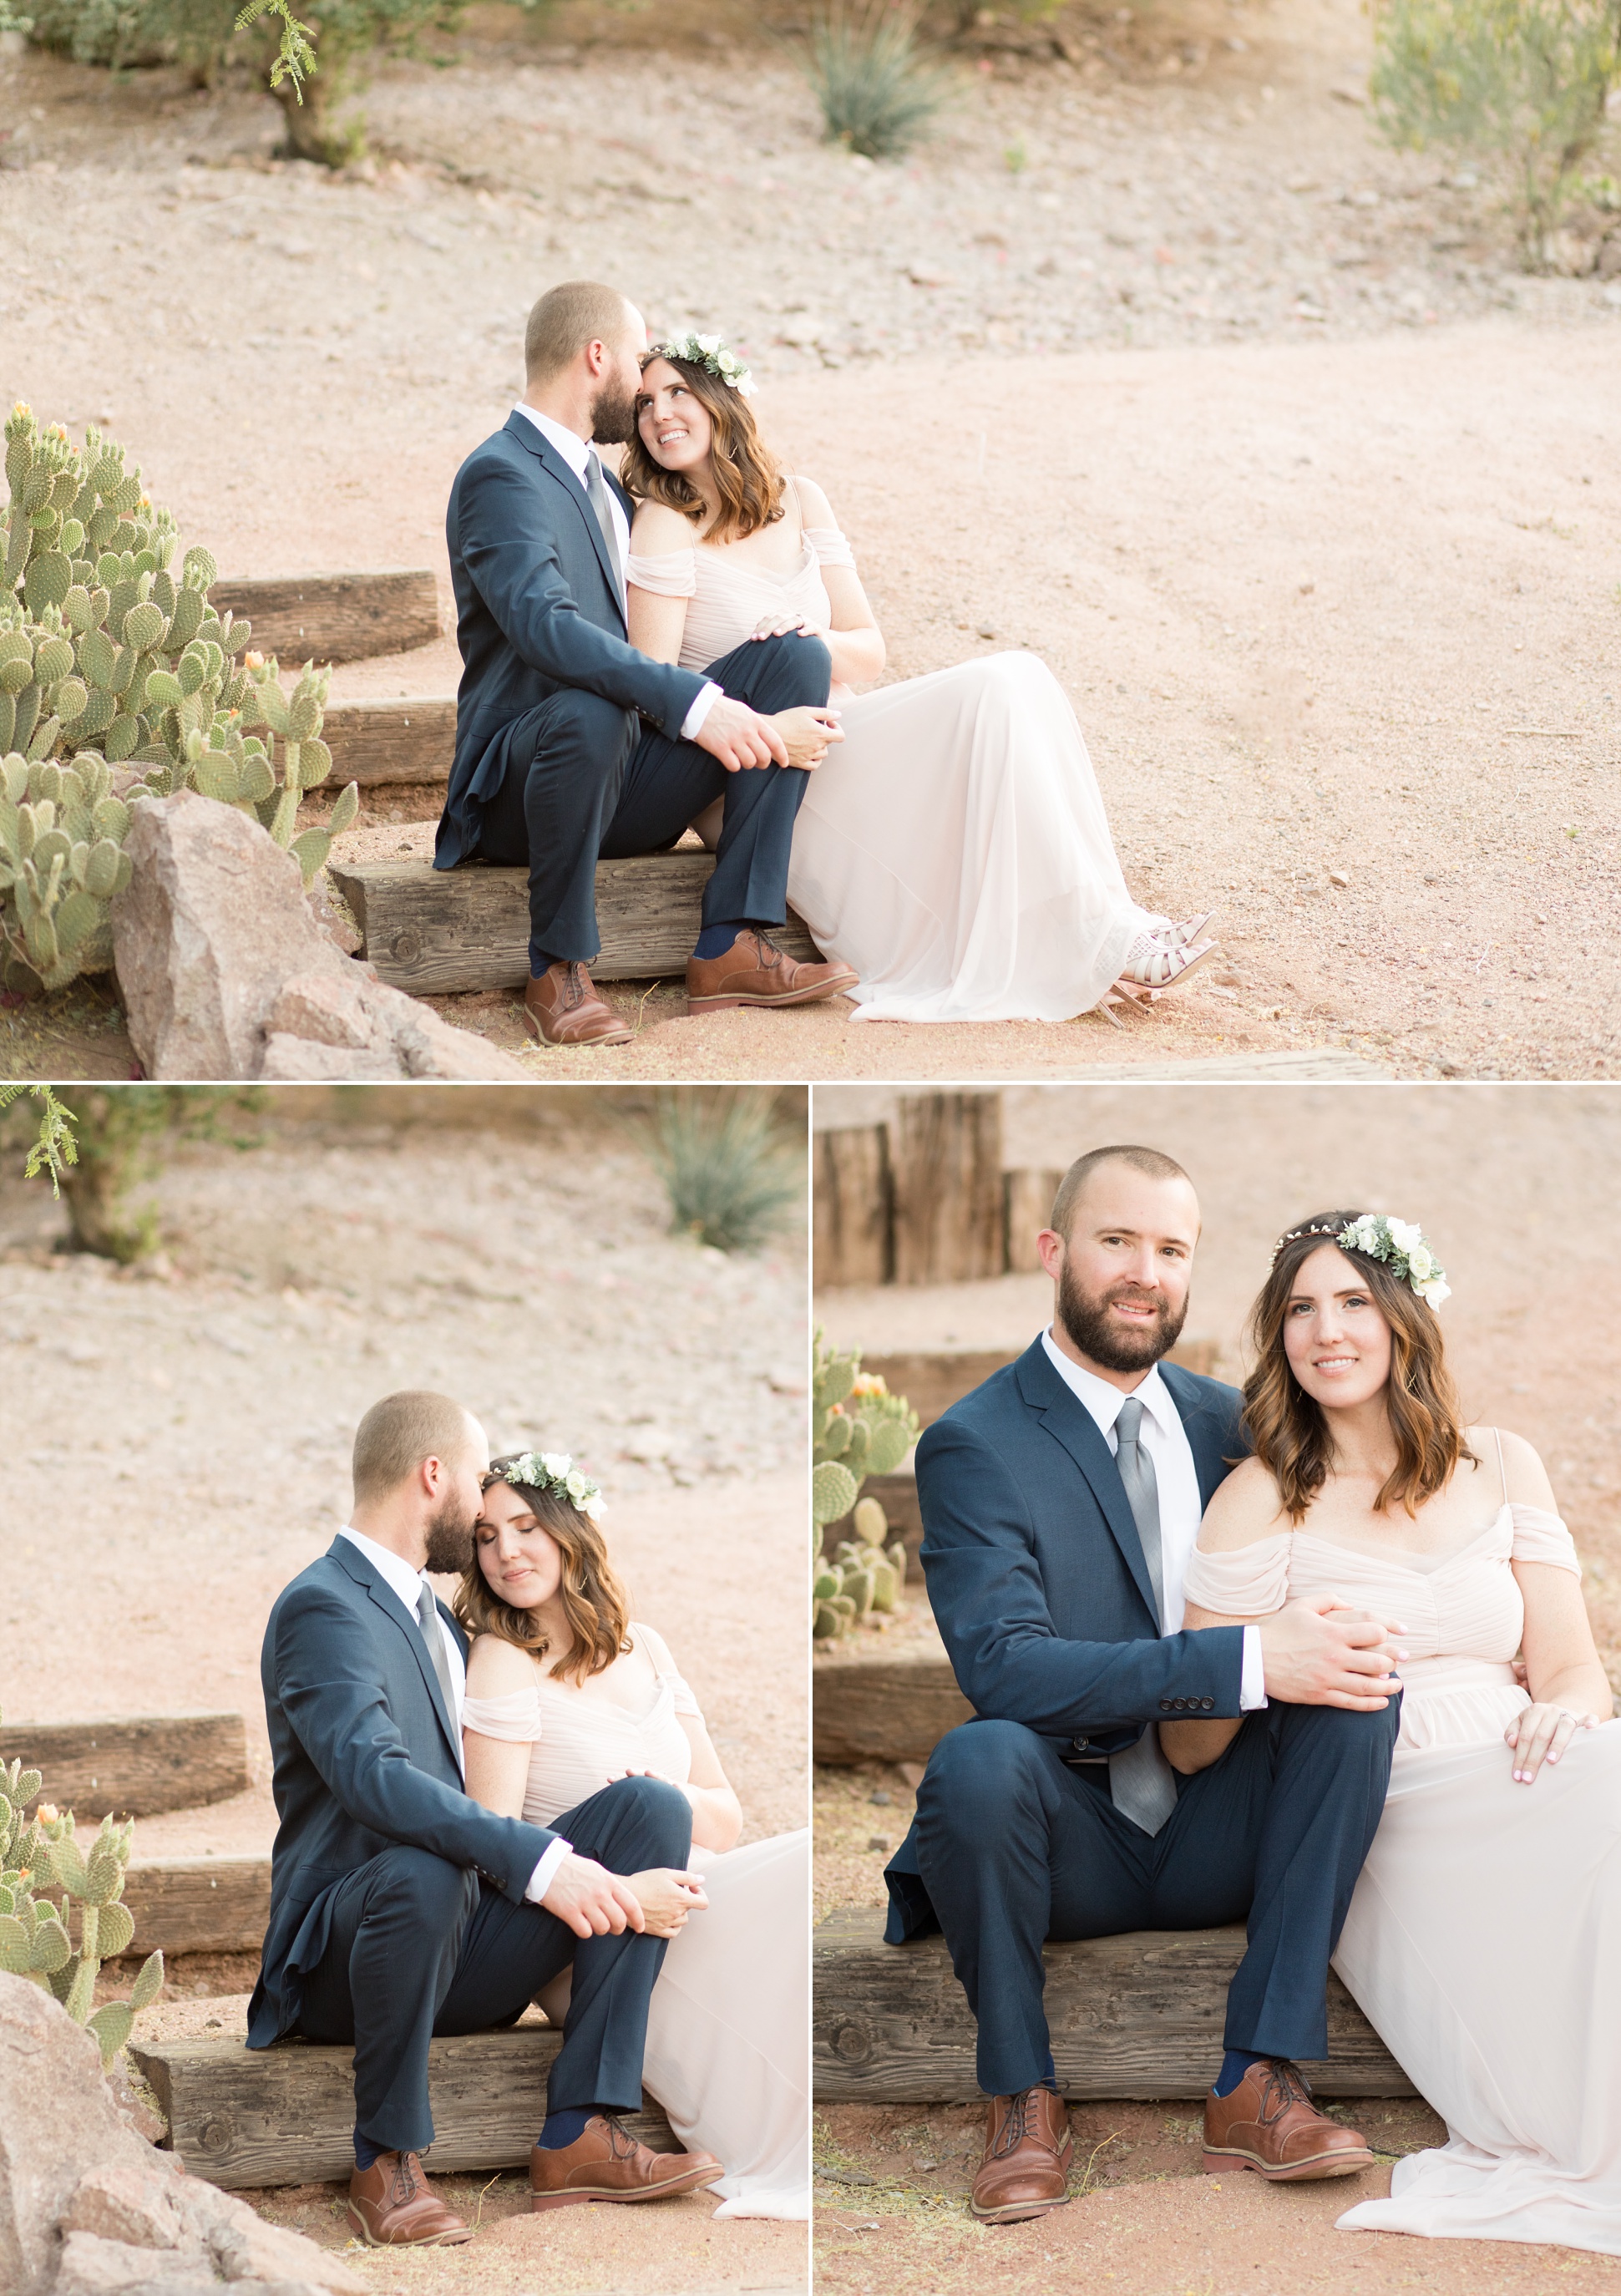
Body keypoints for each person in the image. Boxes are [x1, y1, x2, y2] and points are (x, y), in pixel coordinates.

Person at [883, 1147, 1407, 2224]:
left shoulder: (1239, 1424)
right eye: (1117, 1240)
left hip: (1227, 1820)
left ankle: (1257, 2078)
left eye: (1171, 1250)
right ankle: (1022, 2096)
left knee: (1360, 1687)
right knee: (976, 1755)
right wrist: (1248, 1660)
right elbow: (1004, 1667)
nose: (1144, 1273)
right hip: (1070, 1838)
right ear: (1053, 1250)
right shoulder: (973, 1442)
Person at [1174, 1213, 1621, 2254]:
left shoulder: (1503, 1464)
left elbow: (1571, 1666)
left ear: (1404, 1317)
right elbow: (1190, 1745)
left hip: (1533, 1760)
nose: (1325, 1331)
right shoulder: (1257, 1499)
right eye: (1299, 1308)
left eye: (1352, 1301)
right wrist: (1272, 1653)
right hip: (1389, 1800)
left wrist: (1568, 1709)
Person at [622, 337, 1222, 1026]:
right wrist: (766, 720)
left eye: (676, 393)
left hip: (840, 730)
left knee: (1017, 678)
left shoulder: (802, 500)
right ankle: (1104, 940)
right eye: (643, 403)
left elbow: (868, 650)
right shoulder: (665, 522)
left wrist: (809, 637)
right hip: (753, 766)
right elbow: (659, 686)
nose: (658, 414)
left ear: (721, 399)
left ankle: (1109, 927)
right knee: (997, 686)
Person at [250, 1391, 722, 2247]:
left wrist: (592, 1852)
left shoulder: (440, 1619)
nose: (484, 1511)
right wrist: (549, 1865)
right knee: (425, 1867)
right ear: (434, 1475)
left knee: (647, 1804)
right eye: (475, 1480)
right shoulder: (323, 1605)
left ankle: (581, 2128)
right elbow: (371, 1778)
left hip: (458, 1940)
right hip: (342, 1961)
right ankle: (386, 2161)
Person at [436, 281, 856, 1047]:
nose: (643, 391)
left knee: (792, 653)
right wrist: (700, 706)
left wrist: (748, 680)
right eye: (636, 362)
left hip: (623, 772)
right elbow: (543, 628)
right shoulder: (501, 474)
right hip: (519, 792)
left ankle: (731, 942)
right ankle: (557, 971)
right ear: (598, 357)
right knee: (591, 706)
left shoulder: (607, 486)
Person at [458, 1452, 810, 2219]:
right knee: (651, 1809)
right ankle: (577, 2128)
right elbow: (490, 1845)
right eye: (485, 1536)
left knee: (784, 1854)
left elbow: (722, 1809)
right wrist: (623, 1884)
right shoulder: (502, 1659)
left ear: (570, 1528)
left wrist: (659, 1801)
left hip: (681, 1891)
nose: (506, 1552)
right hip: (582, 1930)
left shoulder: (646, 1647)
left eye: (525, 1526)